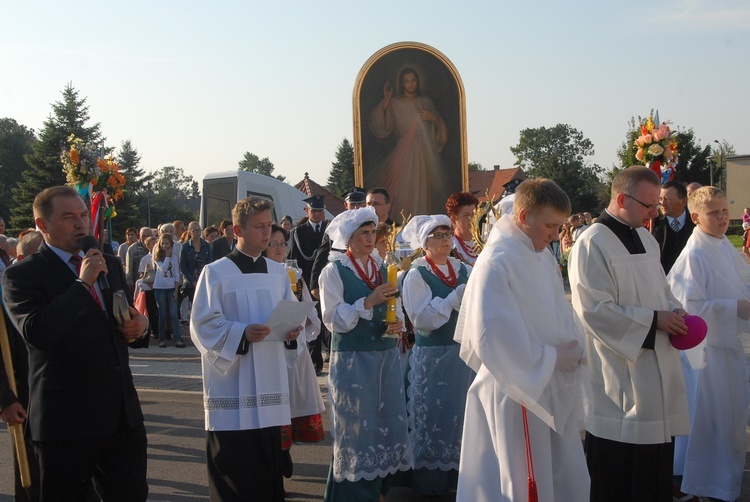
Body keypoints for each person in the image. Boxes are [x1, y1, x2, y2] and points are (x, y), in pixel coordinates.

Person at [1, 186, 149, 500]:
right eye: (68, 217)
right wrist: (83, 284)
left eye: (83, 214)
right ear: (42, 225)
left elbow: (123, 319)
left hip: (121, 418)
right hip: (65, 423)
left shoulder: (105, 260)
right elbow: (36, 332)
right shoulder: (22, 275)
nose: (80, 224)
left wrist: (141, 325)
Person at [454, 179, 589, 501]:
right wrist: (552, 358)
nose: (555, 235)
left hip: (548, 383)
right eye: (550, 225)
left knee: (562, 474)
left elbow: (556, 311)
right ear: (524, 216)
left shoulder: (538, 254)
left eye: (559, 227)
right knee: (522, 480)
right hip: (515, 390)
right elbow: (492, 337)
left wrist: (573, 346)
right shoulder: (497, 262)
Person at [568, 166, 690, 501]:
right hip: (619, 375)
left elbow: (661, 290)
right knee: (620, 474)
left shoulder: (647, 237)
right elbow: (593, 310)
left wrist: (674, 310)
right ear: (622, 198)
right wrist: (654, 322)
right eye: (649, 205)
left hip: (657, 367)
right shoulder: (592, 243)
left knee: (654, 470)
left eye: (657, 206)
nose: (655, 212)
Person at [190, 196, 302, 501]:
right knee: (235, 471)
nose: (267, 234)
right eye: (259, 227)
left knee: (268, 471)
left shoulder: (278, 273)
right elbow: (202, 325)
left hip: (270, 381)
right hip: (232, 386)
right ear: (238, 229)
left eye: (269, 226)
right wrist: (241, 333)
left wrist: (293, 331)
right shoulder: (216, 273)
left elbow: (290, 314)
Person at [319, 206, 412, 501]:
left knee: (383, 426)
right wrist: (367, 302)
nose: (371, 238)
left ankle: (379, 490)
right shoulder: (334, 271)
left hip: (385, 358)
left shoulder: (383, 268)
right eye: (364, 233)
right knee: (356, 428)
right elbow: (332, 319)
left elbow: (393, 309)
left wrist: (397, 323)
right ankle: (351, 495)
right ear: (349, 238)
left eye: (373, 232)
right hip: (353, 360)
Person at [667, 186, 750, 502]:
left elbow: (740, 281)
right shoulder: (695, 254)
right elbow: (691, 308)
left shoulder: (721, 245)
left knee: (730, 418)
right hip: (705, 355)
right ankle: (705, 484)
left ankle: (720, 480)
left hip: (726, 348)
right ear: (695, 216)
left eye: (724, 210)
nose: (722, 218)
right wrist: (736, 308)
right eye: (714, 213)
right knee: (710, 420)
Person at [401, 214, 474, 497]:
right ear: (424, 243)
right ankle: (431, 485)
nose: (446, 240)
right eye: (438, 236)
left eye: (447, 235)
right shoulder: (417, 274)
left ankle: (464, 480)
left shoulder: (464, 269)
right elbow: (422, 319)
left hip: (463, 355)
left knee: (464, 418)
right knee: (435, 418)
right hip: (434, 357)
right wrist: (453, 299)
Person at [264, 224, 326, 483]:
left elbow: (310, 316)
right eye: (273, 244)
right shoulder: (260, 275)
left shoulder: (293, 274)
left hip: (294, 351)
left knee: (291, 405)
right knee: (274, 408)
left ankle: (286, 450)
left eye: (282, 244)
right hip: (269, 351)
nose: (279, 249)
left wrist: (304, 323)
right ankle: (275, 456)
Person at [368, 67, 451, 217]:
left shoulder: (425, 101)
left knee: (422, 189)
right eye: (407, 81)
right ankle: (402, 223)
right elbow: (382, 127)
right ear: (402, 83)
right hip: (403, 152)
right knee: (404, 188)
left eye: (413, 80)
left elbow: (439, 126)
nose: (411, 84)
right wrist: (386, 102)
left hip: (423, 153)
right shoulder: (395, 102)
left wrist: (433, 118)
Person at [1, 230, 43, 502]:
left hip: (52, 390)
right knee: (31, 477)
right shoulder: (11, 281)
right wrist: (5, 397)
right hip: (22, 389)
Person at [651, 180, 695, 274]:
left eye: (667, 199)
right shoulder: (654, 224)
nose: (662, 204)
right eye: (661, 199)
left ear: (683, 201)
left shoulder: (696, 224)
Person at [152, 233, 184, 348]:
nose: (165, 246)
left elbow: (176, 274)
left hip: (171, 288)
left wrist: (176, 290)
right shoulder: (157, 256)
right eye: (163, 243)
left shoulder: (174, 257)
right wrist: (166, 256)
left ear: (171, 244)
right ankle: (162, 339)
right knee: (162, 314)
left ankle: (178, 339)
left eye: (167, 243)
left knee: (174, 314)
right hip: (160, 288)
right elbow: (163, 268)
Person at [290, 195, 328, 286]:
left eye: (320, 210)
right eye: (313, 210)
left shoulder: (329, 228)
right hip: (307, 279)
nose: (317, 214)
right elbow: (295, 259)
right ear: (307, 210)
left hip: (326, 278)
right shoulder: (298, 231)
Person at [180, 221, 212, 310]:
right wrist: (192, 281)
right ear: (190, 232)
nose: (198, 233)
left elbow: (209, 263)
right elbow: (183, 266)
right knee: (194, 306)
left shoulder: (206, 246)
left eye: (199, 230)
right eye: (195, 230)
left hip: (204, 280)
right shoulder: (185, 247)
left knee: (205, 305)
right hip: (191, 282)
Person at [446, 192, 480, 266]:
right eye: (466, 215)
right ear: (454, 220)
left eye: (474, 214)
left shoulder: (486, 243)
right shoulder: (449, 247)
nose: (472, 219)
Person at [138, 235, 159, 340]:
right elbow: (142, 274)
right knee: (151, 310)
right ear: (147, 246)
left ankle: (161, 329)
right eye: (152, 244)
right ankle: (154, 330)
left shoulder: (161, 257)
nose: (155, 245)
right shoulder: (145, 259)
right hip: (149, 287)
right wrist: (149, 281)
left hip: (160, 287)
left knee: (160, 310)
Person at [126, 226, 154, 298]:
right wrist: (130, 282)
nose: (145, 237)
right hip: (139, 283)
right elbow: (129, 267)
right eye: (143, 235)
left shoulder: (156, 247)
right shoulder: (132, 248)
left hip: (154, 283)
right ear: (139, 235)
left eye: (148, 235)